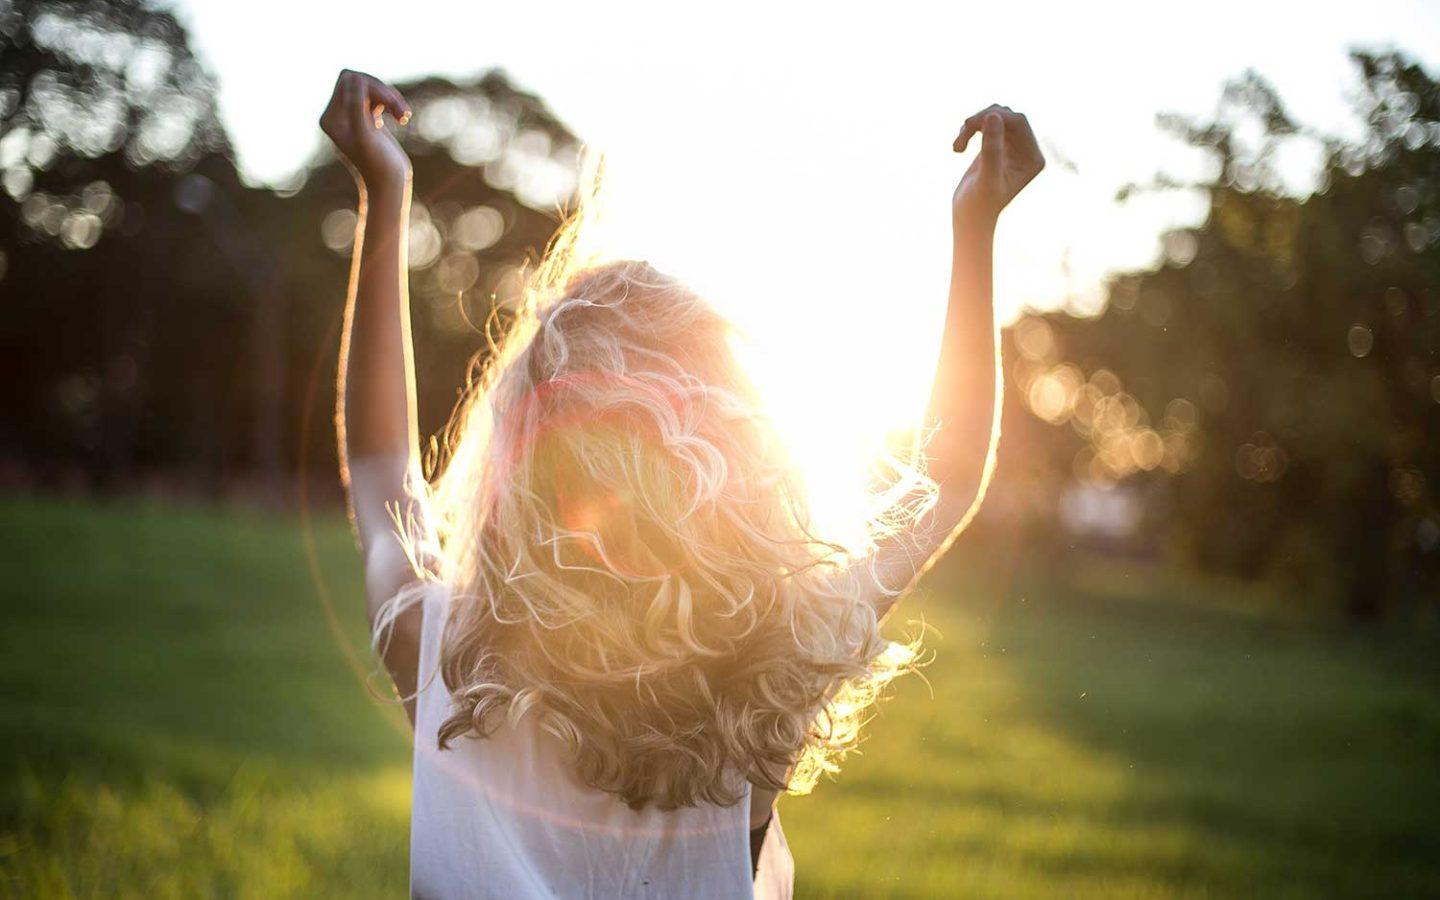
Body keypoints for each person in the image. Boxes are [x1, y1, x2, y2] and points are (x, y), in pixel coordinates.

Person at [320, 68, 1043, 899]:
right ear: (735, 462)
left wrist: (385, 191)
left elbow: (382, 471)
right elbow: (942, 480)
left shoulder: (445, 653)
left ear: (514, 469)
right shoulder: (772, 668)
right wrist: (975, 226)